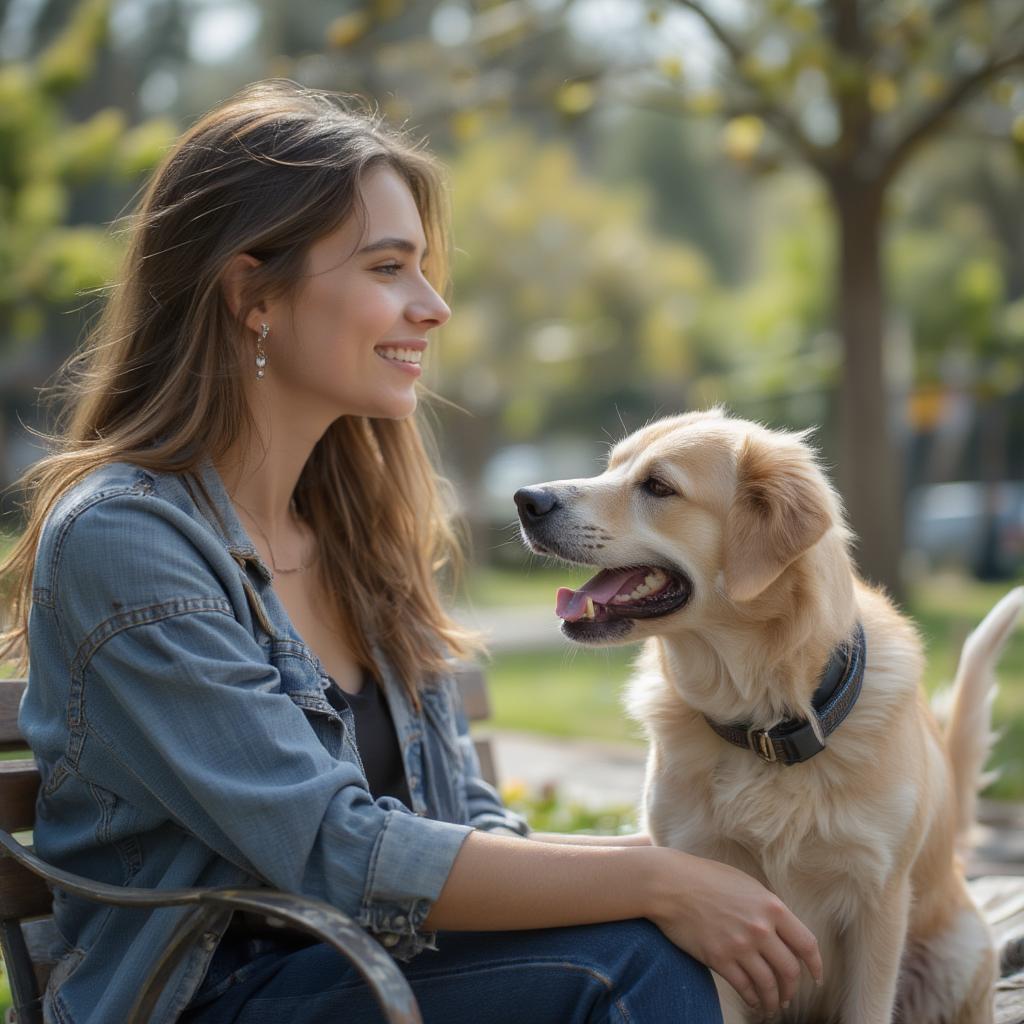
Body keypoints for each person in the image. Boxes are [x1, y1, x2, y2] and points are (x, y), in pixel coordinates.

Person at [0, 80, 822, 1024]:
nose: (432, 306)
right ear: (251, 295)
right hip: (209, 996)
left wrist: (670, 886)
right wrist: (655, 877)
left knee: (655, 948)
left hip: (379, 973)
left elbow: (462, 819)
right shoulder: (125, 541)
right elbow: (331, 852)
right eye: (389, 268)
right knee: (625, 964)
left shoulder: (355, 537)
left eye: (425, 269)